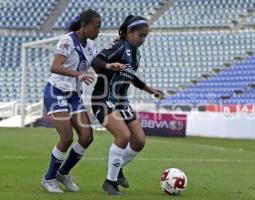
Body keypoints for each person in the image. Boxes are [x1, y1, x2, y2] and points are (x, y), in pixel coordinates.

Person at [91, 15, 164, 195]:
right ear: (129, 32)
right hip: (103, 99)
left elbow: (131, 77)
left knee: (139, 140)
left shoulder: (135, 53)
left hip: (122, 102)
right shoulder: (119, 47)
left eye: (145, 36)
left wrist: (149, 89)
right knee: (123, 135)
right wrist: (109, 66)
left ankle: (118, 169)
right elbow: (96, 62)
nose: (143, 39)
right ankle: (110, 182)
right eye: (140, 35)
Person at [41, 9, 101, 193]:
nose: (98, 31)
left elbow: (95, 65)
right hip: (56, 91)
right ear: (84, 26)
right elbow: (55, 66)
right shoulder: (67, 41)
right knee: (66, 137)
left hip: (74, 95)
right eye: (96, 27)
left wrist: (109, 64)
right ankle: (48, 178)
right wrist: (78, 74)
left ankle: (63, 173)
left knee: (87, 136)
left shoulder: (90, 46)